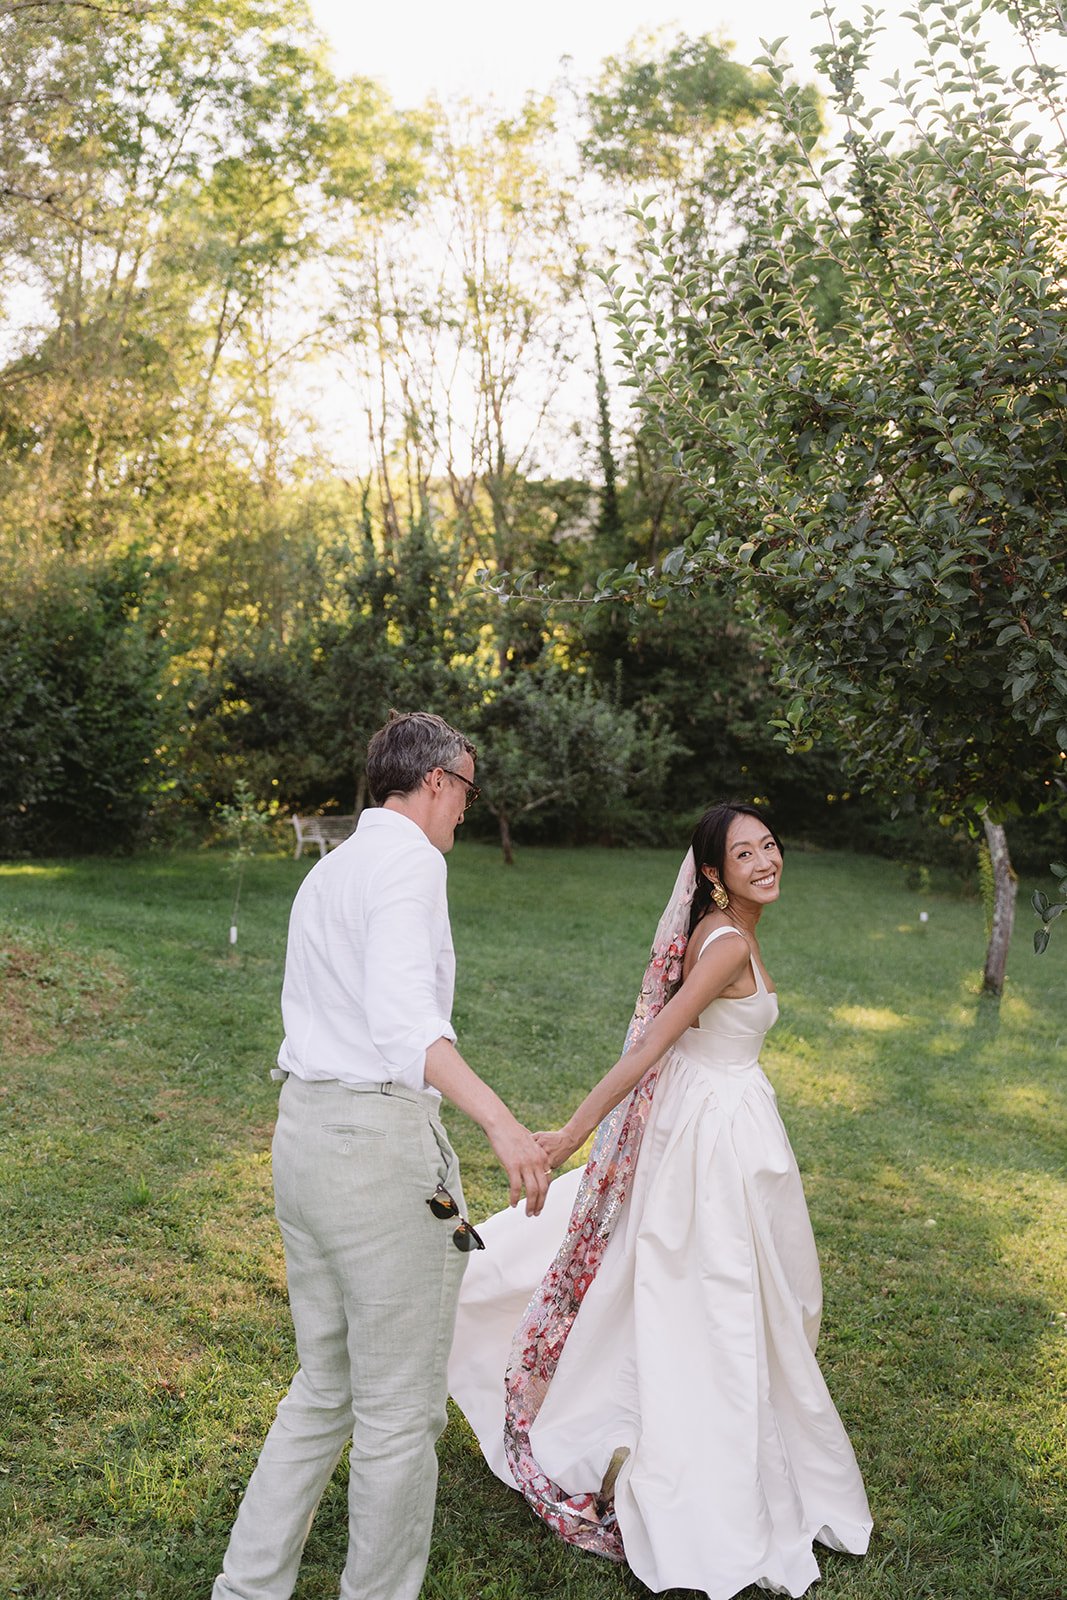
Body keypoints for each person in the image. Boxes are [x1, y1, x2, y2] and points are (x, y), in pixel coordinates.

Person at [448, 801, 872, 1600]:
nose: (765, 861)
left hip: (723, 1123)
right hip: (710, 1140)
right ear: (711, 873)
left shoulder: (723, 931)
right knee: (711, 1296)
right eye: (743, 854)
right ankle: (691, 1464)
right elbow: (653, 1046)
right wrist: (572, 1130)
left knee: (728, 1294)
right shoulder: (727, 943)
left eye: (769, 845)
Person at [212, 710, 550, 1600]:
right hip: (378, 1154)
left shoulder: (333, 869)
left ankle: (245, 1589)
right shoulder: (408, 863)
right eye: (468, 790)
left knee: (324, 1389)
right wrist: (500, 1122)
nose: (468, 812)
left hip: (304, 1142)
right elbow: (406, 1026)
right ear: (436, 781)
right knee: (399, 1415)